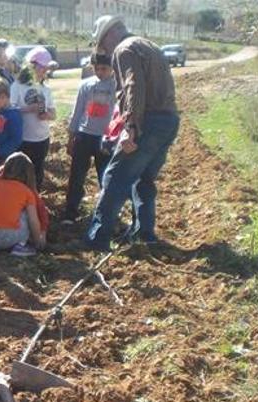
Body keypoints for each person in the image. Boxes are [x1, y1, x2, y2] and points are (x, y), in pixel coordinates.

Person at [85, 15, 179, 251]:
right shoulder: (149, 45)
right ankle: (144, 234)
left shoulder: (124, 49)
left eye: (102, 44)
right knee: (142, 179)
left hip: (147, 121)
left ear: (110, 35)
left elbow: (132, 86)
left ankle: (97, 239)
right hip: (168, 120)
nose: (104, 50)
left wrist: (131, 127)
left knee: (114, 177)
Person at [63, 53, 116, 224]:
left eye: (104, 69)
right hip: (84, 135)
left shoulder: (116, 87)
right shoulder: (86, 85)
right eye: (97, 68)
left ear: (112, 69)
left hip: (105, 137)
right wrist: (71, 137)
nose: (100, 72)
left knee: (105, 177)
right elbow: (77, 112)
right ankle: (71, 212)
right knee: (77, 176)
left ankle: (107, 215)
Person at [11, 46, 56, 190]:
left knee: (37, 174)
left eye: (46, 68)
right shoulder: (17, 86)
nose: (45, 71)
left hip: (42, 139)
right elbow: (9, 112)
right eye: (42, 67)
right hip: (23, 139)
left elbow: (54, 113)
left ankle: (34, 203)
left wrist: (46, 115)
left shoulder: (46, 89)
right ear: (31, 65)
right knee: (21, 174)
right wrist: (28, 109)